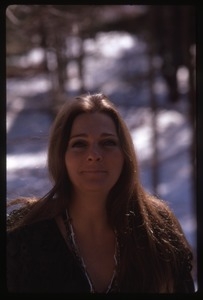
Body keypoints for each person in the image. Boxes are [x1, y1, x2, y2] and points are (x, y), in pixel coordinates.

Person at [7, 93, 195, 293]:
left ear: (125, 155)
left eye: (108, 143)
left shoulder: (159, 228)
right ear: (61, 156)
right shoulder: (24, 235)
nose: (94, 155)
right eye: (79, 144)